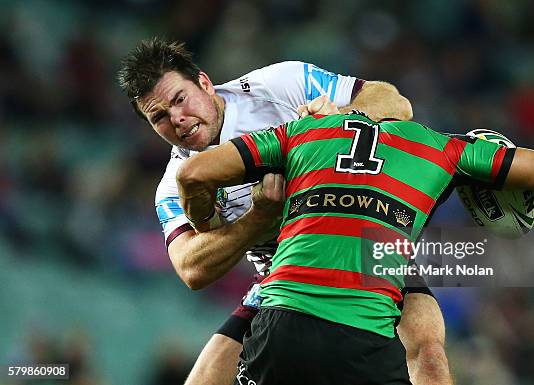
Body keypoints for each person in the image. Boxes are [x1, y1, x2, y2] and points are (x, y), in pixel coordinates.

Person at [117, 38, 449, 385]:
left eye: (179, 100)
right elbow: (190, 269)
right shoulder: (176, 184)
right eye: (160, 117)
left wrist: (338, 121)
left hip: (364, 248)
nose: (178, 119)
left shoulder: (280, 84)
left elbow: (395, 103)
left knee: (429, 355)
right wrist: (258, 218)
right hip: (282, 280)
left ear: (203, 82)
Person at [176, 109, 534, 385]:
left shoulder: (301, 130)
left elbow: (194, 174)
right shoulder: (443, 148)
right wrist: (487, 161)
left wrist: (208, 223)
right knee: (428, 353)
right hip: (363, 338)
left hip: (281, 328)